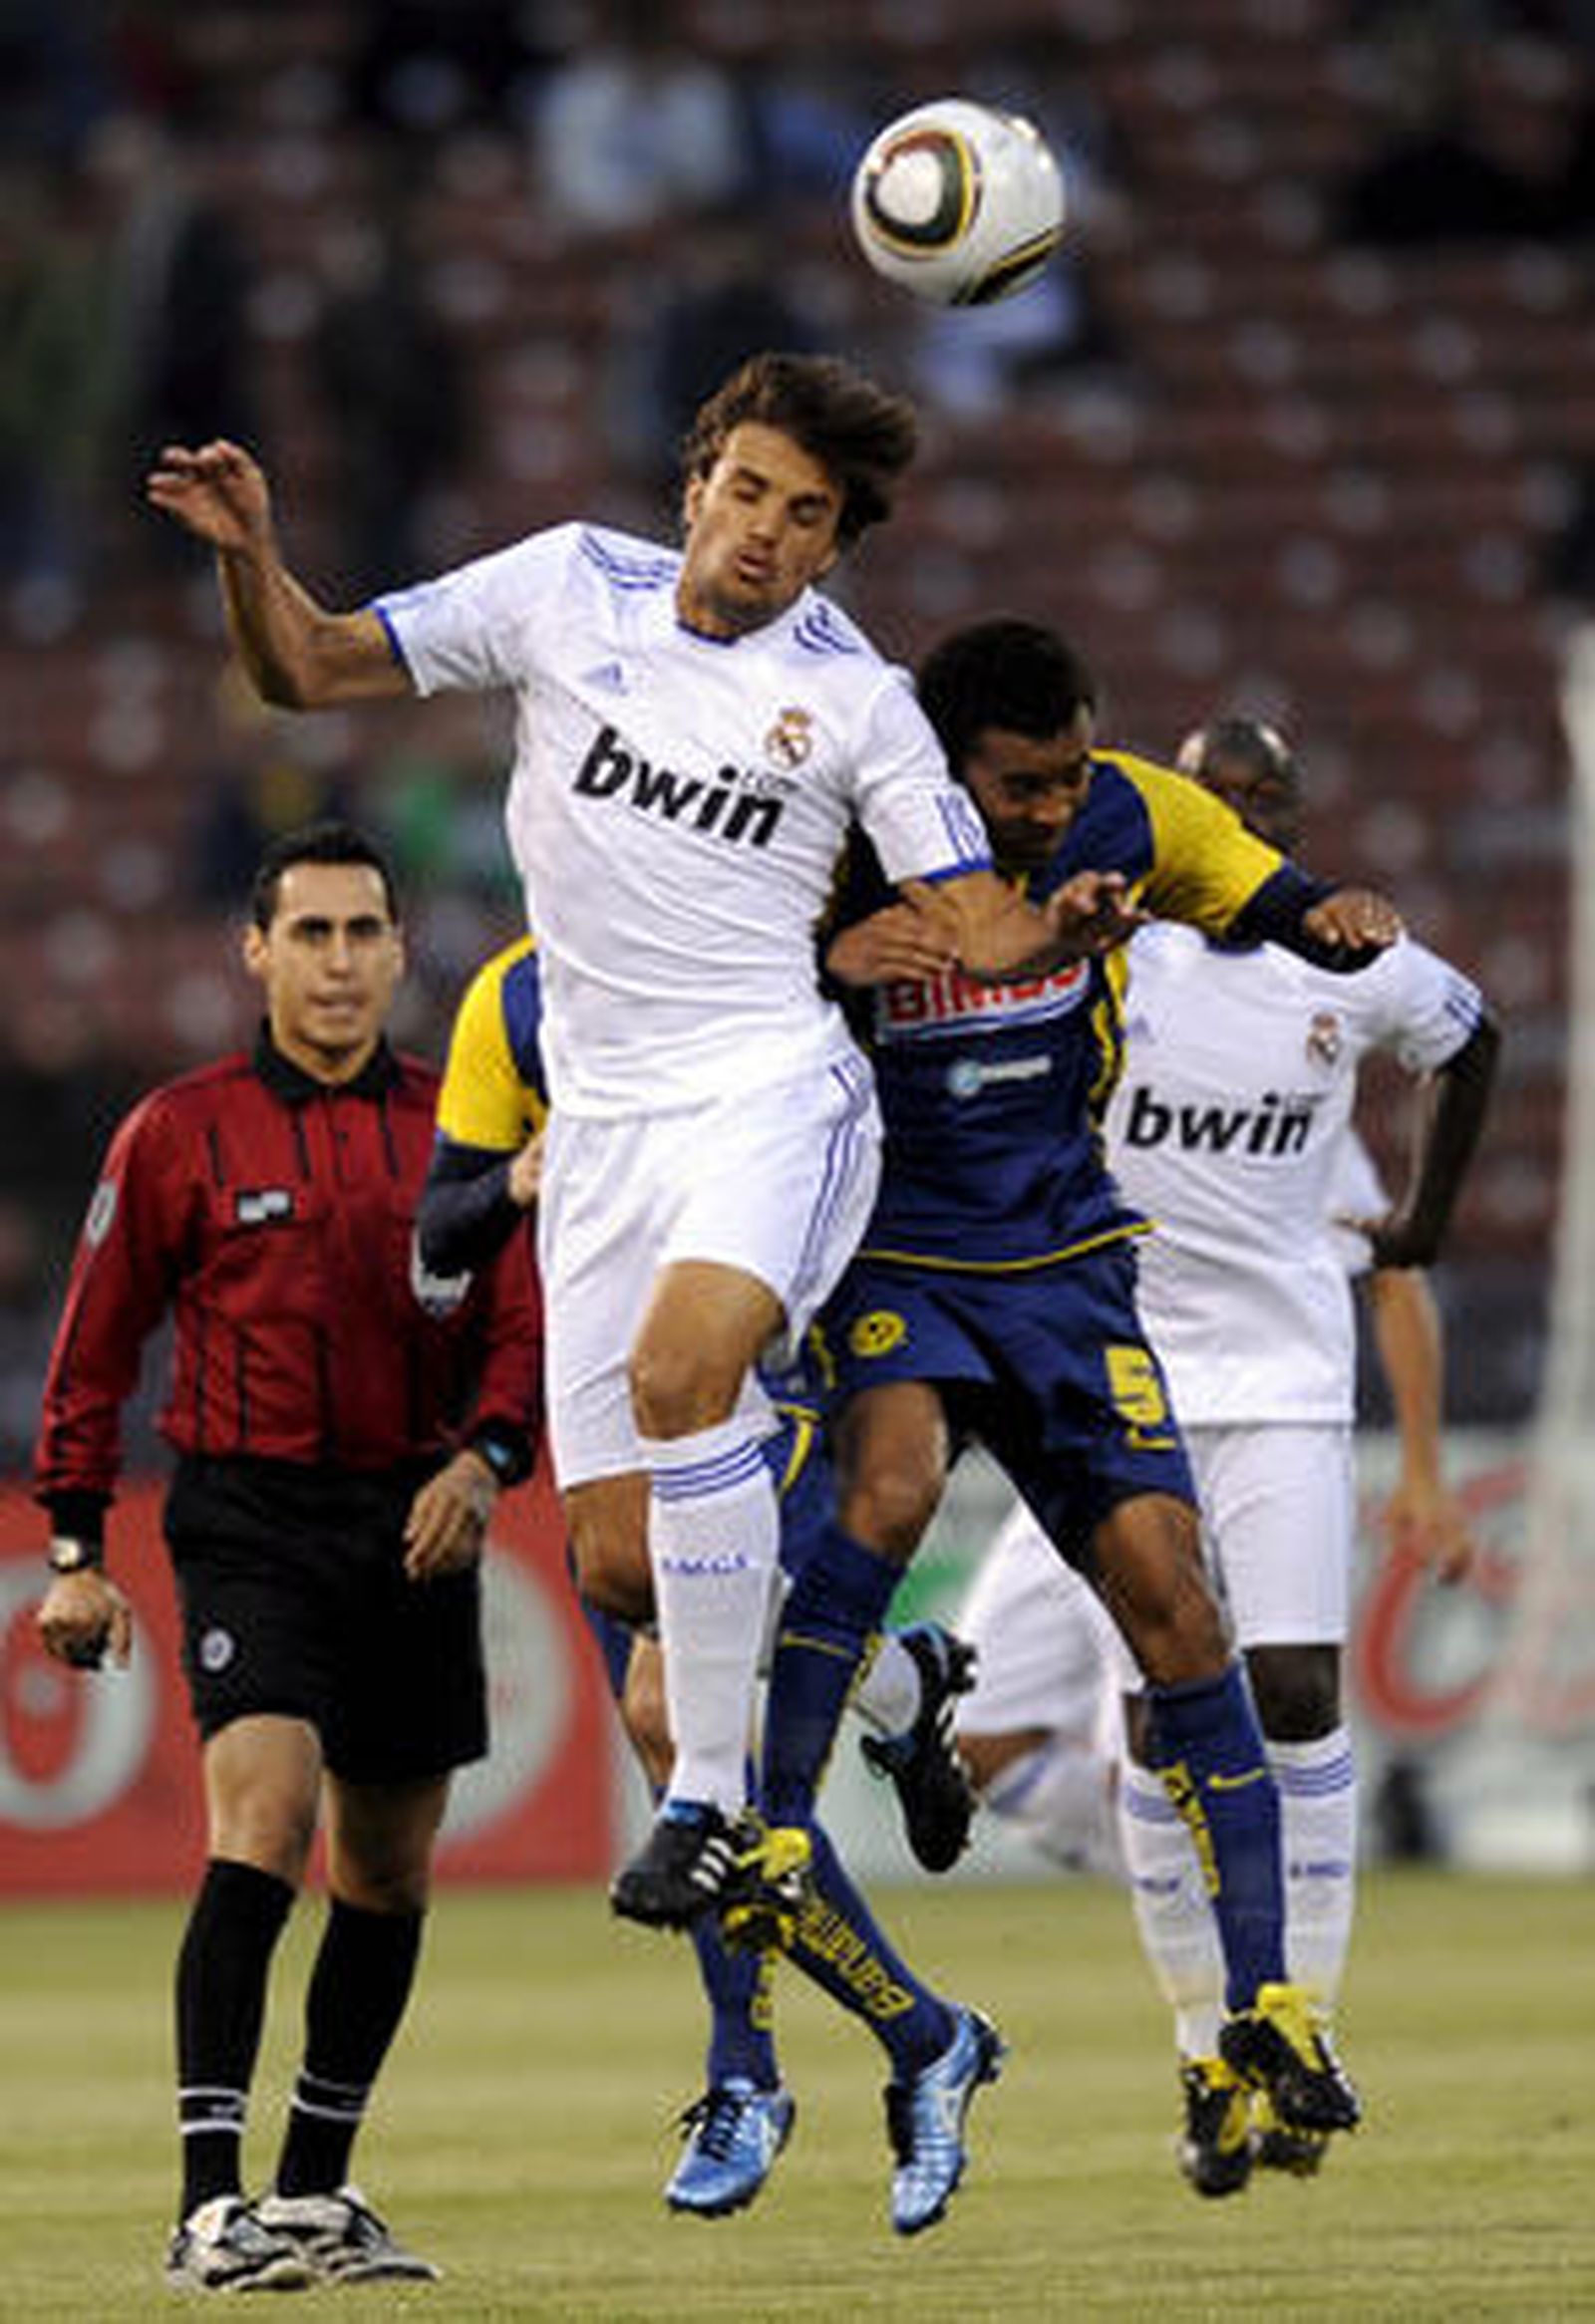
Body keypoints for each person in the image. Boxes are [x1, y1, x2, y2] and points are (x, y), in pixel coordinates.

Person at [146, 351, 1134, 1938]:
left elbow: (974, 918)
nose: (762, 530)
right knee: (619, 1568)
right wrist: (248, 554)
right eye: (744, 490)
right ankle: (899, 1678)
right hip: (602, 1126)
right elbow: (310, 671)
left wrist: (1053, 927)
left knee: (688, 1382)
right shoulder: (564, 588)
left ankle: (707, 1806)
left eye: (803, 516)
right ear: (694, 486)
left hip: (771, 1098)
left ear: (830, 549)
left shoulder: (861, 703)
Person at [753, 621, 1407, 2159]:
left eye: (1063, 774)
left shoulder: (1128, 809)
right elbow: (717, 988)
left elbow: (1271, 892)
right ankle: (773, 1828)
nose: (1051, 808)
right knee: (895, 1488)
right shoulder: (844, 839)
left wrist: (1334, 921)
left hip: (1063, 1261)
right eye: (1016, 784)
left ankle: (1271, 2010)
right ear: (942, 765)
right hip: (895, 1251)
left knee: (1182, 1610)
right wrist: (826, 963)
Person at [959, 715, 1491, 2198]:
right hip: (1120, 1384)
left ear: (1294, 826)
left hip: (1286, 1388)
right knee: (1149, 1728)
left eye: (1266, 806)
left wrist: (1428, 1228)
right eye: (1216, 802)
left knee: (1298, 1689)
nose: (1239, 823)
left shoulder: (1343, 974)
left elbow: (1466, 1045)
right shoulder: (1118, 958)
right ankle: (1205, 2044)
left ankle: (1295, 2027)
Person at [417, 934, 996, 2236]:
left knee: (675, 1722)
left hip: (759, 1366)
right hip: (611, 1400)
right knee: (669, 1697)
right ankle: (920, 2001)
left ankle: (750, 2075)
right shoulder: (513, 997)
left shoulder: (760, 950)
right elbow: (439, 1228)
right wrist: (520, 1175)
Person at [32, 821, 541, 2293]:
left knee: (384, 1875)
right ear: (254, 952)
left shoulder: (464, 1126)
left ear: (398, 949)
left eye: (359, 933)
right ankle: (208, 2209)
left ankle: (314, 2192)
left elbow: (523, 1322)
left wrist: (486, 1459)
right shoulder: (179, 1129)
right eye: (307, 934)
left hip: (419, 1519)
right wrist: (77, 1544)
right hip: (246, 1516)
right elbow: (96, 1340)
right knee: (262, 1815)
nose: (336, 961)